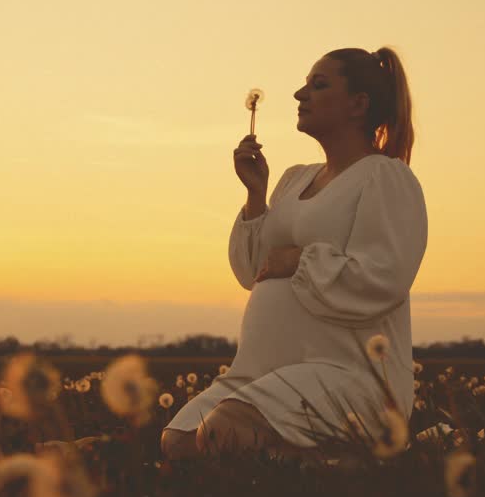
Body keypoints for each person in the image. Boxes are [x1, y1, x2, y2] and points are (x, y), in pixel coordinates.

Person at [160, 46, 427, 464]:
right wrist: (255, 196)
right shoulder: (292, 180)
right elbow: (253, 272)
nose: (300, 95)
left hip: (349, 376)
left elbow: (384, 278)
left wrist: (301, 260)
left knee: (222, 436)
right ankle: (315, 464)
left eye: (318, 85)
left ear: (358, 105)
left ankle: (357, 466)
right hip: (263, 371)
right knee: (177, 443)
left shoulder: (385, 177)